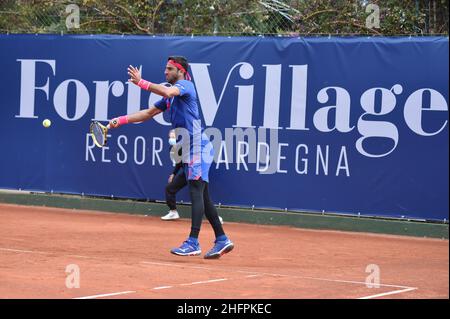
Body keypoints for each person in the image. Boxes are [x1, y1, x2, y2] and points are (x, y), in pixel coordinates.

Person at [109, 56, 233, 259]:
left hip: (197, 148)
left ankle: (193, 242)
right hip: (188, 149)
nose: (165, 72)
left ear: (181, 70)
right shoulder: (171, 98)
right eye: (165, 69)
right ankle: (222, 239)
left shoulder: (185, 86)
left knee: (195, 191)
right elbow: (148, 113)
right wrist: (120, 120)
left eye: (169, 69)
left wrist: (141, 82)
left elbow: (167, 89)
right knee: (203, 196)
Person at [162, 130, 224, 225]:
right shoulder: (176, 146)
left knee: (202, 197)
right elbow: (178, 160)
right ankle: (173, 212)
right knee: (169, 189)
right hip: (186, 172)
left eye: (173, 135)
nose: (171, 137)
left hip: (196, 171)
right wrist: (174, 173)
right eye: (170, 136)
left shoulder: (188, 142)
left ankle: (214, 218)